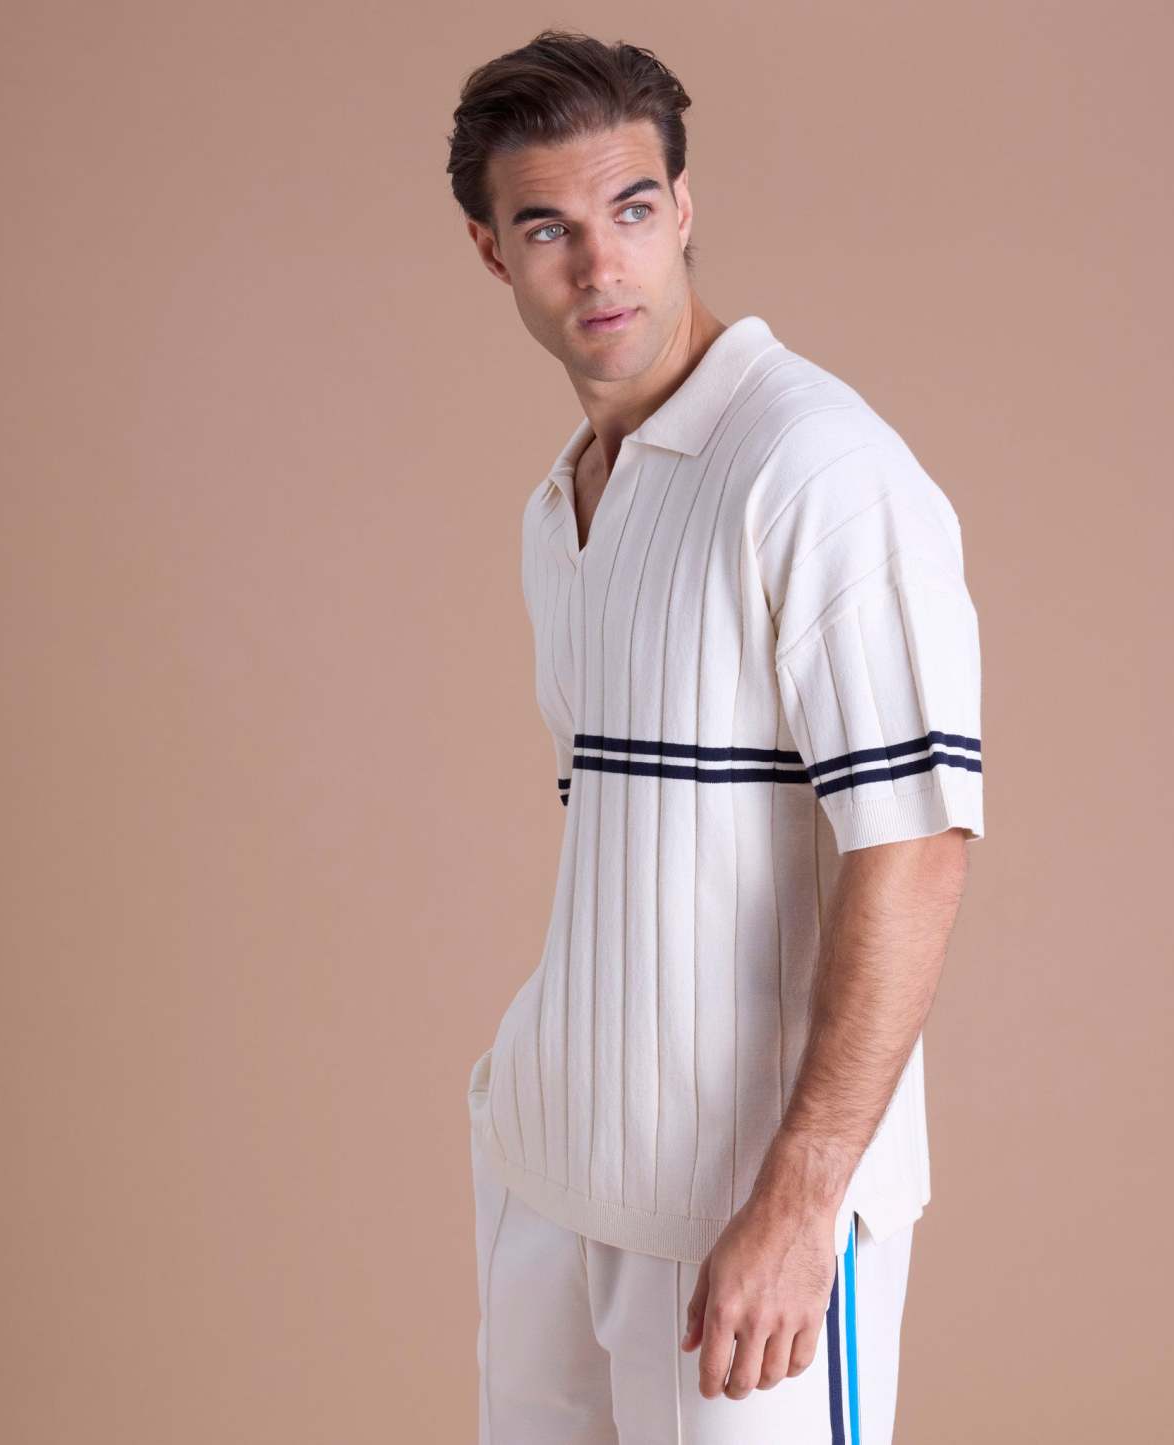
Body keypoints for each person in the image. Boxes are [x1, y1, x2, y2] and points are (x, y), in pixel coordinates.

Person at [446, 28, 985, 1443]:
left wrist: (802, 1199)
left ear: (683, 207)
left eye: (630, 209)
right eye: (547, 228)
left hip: (745, 1216)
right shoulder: (563, 502)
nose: (599, 266)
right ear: (493, 253)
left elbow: (916, 844)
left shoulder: (817, 467)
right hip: (552, 1177)